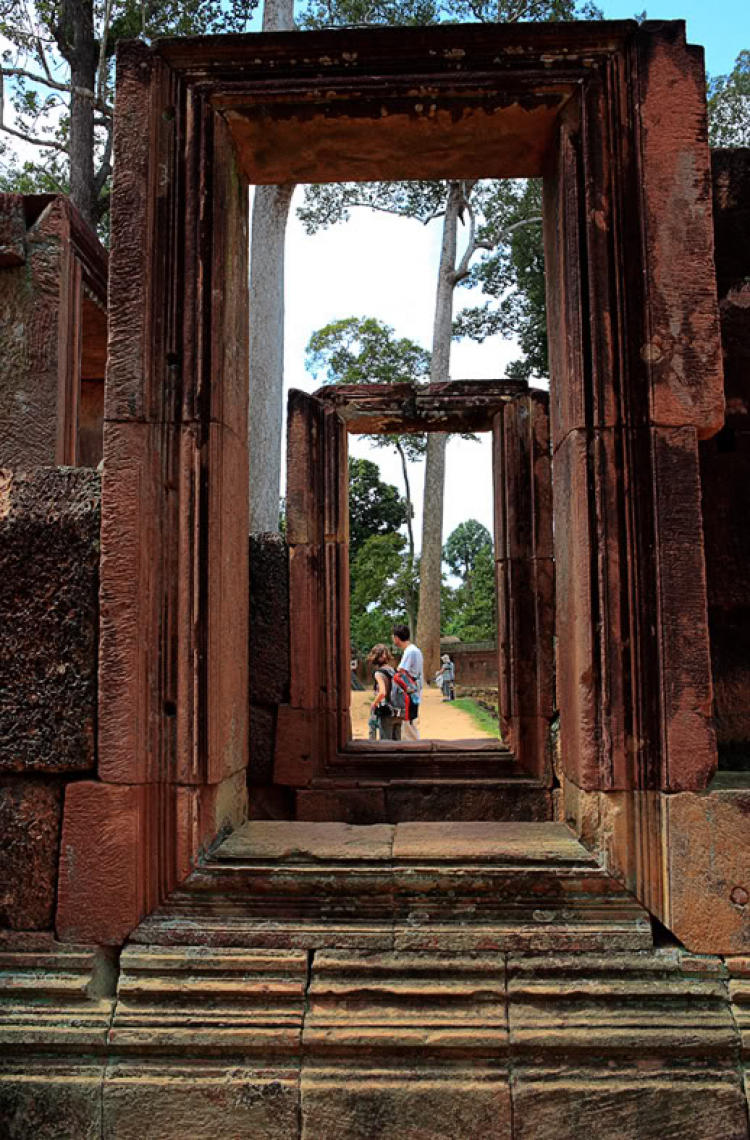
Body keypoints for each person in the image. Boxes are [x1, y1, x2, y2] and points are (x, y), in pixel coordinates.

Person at [392, 623, 423, 741]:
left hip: (409, 691)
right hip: (414, 689)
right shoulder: (415, 650)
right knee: (410, 722)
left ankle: (414, 750)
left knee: (408, 725)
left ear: (396, 638)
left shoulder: (410, 651)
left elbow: (401, 671)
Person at [366, 644, 402, 742]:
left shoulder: (379, 673)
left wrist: (374, 703)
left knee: (386, 744)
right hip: (399, 712)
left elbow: (382, 692)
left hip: (386, 712)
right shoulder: (394, 671)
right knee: (398, 743)